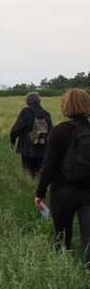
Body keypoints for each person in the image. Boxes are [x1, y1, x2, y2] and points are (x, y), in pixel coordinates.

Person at [35, 89, 90, 267]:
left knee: (62, 237)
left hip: (61, 191)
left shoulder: (59, 131)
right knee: (88, 240)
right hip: (88, 192)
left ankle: (62, 270)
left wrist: (40, 191)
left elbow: (49, 165)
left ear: (66, 106)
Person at [10, 92, 52, 179]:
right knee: (40, 169)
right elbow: (51, 131)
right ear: (39, 101)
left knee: (27, 169)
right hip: (42, 147)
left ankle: (29, 186)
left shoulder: (25, 111)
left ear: (27, 102)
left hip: (27, 147)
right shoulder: (46, 114)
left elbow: (17, 128)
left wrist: (12, 140)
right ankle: (37, 186)